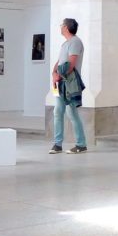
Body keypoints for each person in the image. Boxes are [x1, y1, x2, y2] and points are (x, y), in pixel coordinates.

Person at [50, 17, 86, 154]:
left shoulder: (76, 42)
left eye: (61, 25)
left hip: (69, 83)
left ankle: (81, 144)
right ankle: (57, 144)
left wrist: (59, 75)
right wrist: (54, 73)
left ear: (66, 27)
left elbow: (71, 64)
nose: (60, 27)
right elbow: (60, 61)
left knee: (72, 113)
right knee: (57, 111)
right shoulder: (65, 44)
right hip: (58, 83)